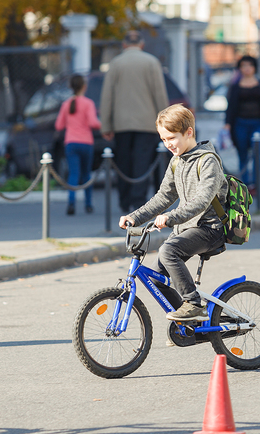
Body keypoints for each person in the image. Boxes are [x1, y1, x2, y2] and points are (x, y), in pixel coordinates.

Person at [118, 104, 227, 323]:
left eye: (172, 138)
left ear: (189, 132)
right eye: (163, 139)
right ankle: (188, 325)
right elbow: (163, 197)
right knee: (157, 278)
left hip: (209, 228)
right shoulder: (176, 162)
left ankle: (194, 305)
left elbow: (202, 201)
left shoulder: (208, 161)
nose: (167, 144)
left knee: (168, 251)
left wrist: (171, 217)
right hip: (186, 228)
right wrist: (135, 216)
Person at [100, 29, 169, 212]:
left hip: (121, 124)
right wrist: (166, 123)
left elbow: (107, 96)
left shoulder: (115, 63)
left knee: (123, 163)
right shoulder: (151, 62)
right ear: (142, 44)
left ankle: (124, 201)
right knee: (142, 162)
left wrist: (106, 125)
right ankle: (138, 201)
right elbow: (159, 94)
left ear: (124, 44)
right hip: (147, 123)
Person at [224, 55, 260, 191]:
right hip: (240, 123)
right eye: (244, 66)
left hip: (258, 123)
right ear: (240, 68)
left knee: (257, 151)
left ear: (254, 68)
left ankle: (255, 183)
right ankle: (245, 184)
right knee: (242, 153)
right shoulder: (235, 87)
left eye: (250, 65)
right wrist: (227, 123)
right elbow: (230, 107)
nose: (247, 68)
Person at [55, 74, 101, 215]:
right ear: (84, 87)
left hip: (71, 143)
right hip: (86, 142)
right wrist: (103, 125)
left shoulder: (66, 104)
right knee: (86, 174)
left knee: (73, 174)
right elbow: (94, 123)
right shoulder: (88, 103)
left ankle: (71, 203)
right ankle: (88, 204)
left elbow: (59, 125)